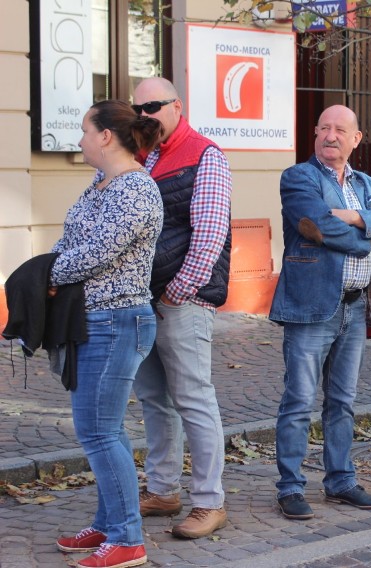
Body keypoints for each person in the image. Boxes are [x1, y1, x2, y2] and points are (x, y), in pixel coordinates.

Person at [269, 105, 371, 520]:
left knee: (343, 401)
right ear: (315, 134)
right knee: (298, 400)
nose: (331, 135)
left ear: (356, 139)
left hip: (354, 304)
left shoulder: (366, 183)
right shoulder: (299, 177)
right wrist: (367, 237)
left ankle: (340, 481)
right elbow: (315, 225)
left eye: (340, 129)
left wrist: (354, 216)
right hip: (311, 307)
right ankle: (290, 487)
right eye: (324, 127)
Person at [52, 100, 164, 568]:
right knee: (99, 429)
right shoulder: (101, 183)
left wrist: (47, 274)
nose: (78, 140)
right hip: (92, 319)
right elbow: (70, 239)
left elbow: (97, 251)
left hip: (117, 321)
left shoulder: (136, 188)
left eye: (84, 131)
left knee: (99, 432)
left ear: (105, 136)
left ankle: (127, 540)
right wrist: (52, 268)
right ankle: (107, 521)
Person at [131, 77, 233, 539]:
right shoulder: (138, 154)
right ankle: (164, 489)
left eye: (152, 105)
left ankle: (209, 501)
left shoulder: (204, 154)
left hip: (181, 299)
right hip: (140, 298)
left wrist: (178, 291)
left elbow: (209, 233)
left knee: (193, 397)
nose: (144, 114)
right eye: (137, 108)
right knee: (155, 398)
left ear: (177, 106)